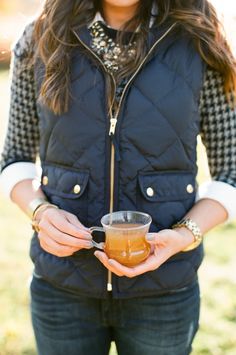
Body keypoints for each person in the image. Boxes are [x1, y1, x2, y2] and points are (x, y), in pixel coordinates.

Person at [0, 0, 236, 354]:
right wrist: (40, 212)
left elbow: (231, 169)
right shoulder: (38, 38)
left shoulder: (198, 40)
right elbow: (15, 158)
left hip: (164, 292)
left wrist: (184, 236)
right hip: (62, 291)